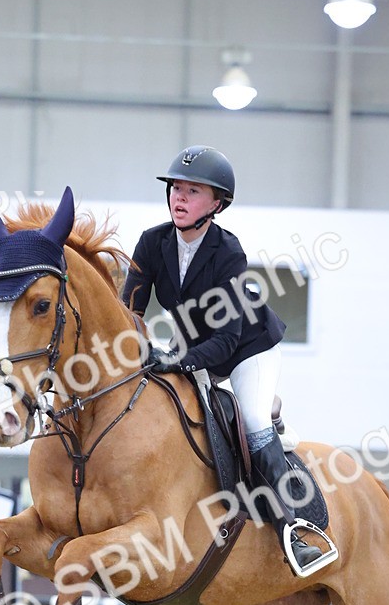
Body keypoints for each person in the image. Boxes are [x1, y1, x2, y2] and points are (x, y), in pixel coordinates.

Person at [122, 145, 322, 576]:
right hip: (194, 347)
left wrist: (176, 362)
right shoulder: (153, 243)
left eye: (193, 191)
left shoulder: (228, 253)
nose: (179, 197)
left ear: (216, 204)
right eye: (176, 188)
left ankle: (296, 530)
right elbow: (130, 310)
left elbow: (228, 341)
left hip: (248, 351)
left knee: (252, 421)